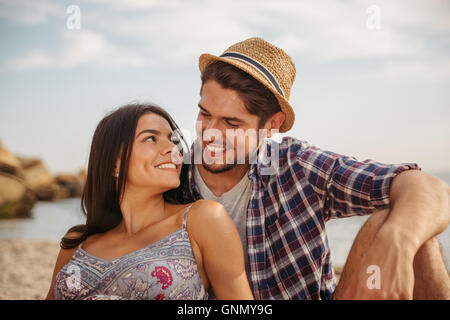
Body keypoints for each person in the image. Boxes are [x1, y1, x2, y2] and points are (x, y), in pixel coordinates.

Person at [186, 37, 450, 299]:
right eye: (205, 114)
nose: (210, 134)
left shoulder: (297, 165)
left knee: (409, 230)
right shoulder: (169, 174)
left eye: (231, 123)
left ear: (272, 125)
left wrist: (398, 241)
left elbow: (429, 188)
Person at [46, 104, 254, 300]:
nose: (172, 149)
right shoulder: (77, 244)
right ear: (112, 163)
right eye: (150, 139)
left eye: (174, 140)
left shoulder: (202, 219)